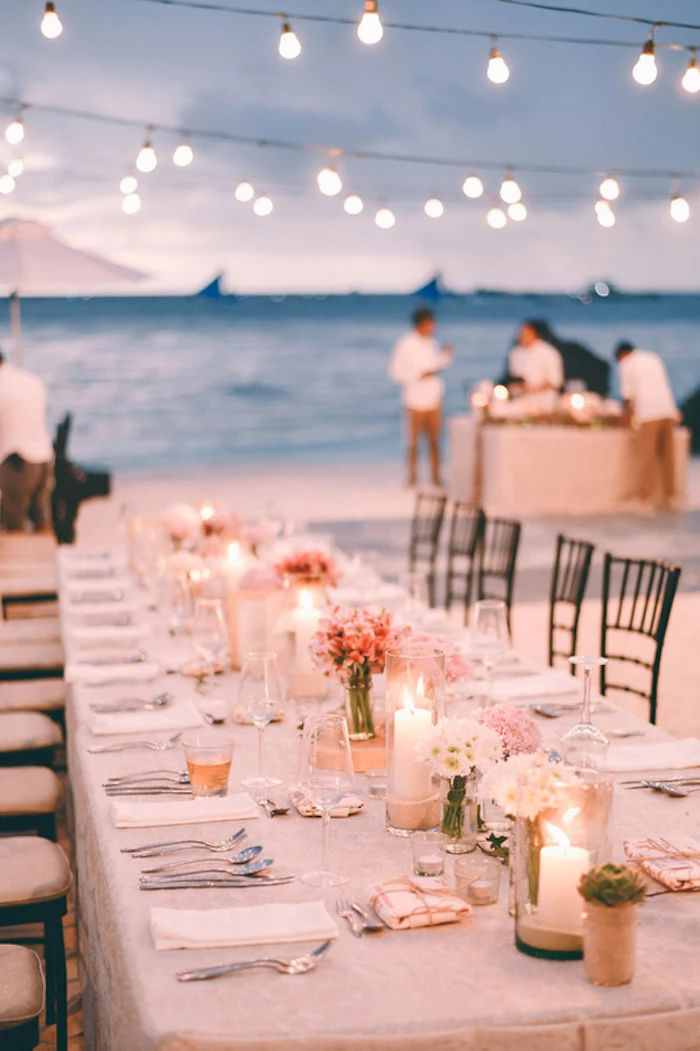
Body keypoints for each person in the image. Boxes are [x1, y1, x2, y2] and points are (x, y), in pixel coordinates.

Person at [389, 307, 452, 487]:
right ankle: (412, 477)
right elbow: (395, 372)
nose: (432, 327)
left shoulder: (431, 343)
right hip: (414, 399)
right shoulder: (405, 344)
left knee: (435, 441)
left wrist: (446, 355)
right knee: (413, 443)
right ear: (421, 324)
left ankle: (436, 476)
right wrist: (418, 375)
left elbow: (436, 364)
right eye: (430, 324)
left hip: (433, 398)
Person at [615, 340, 679, 509]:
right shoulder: (653, 358)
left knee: (644, 455)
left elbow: (627, 396)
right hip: (667, 410)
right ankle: (670, 494)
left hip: (648, 413)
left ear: (621, 355)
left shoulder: (626, 364)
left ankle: (643, 496)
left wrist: (626, 416)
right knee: (667, 457)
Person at [0, 351, 54, 531]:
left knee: (14, 526)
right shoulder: (31, 381)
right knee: (42, 521)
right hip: (43, 456)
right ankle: (45, 558)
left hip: (17, 460)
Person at [506, 319, 564, 412]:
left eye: (525, 332)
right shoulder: (516, 353)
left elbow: (555, 381)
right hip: (520, 396)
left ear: (534, 333)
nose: (521, 336)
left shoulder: (548, 352)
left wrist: (533, 389)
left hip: (543, 399)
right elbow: (514, 376)